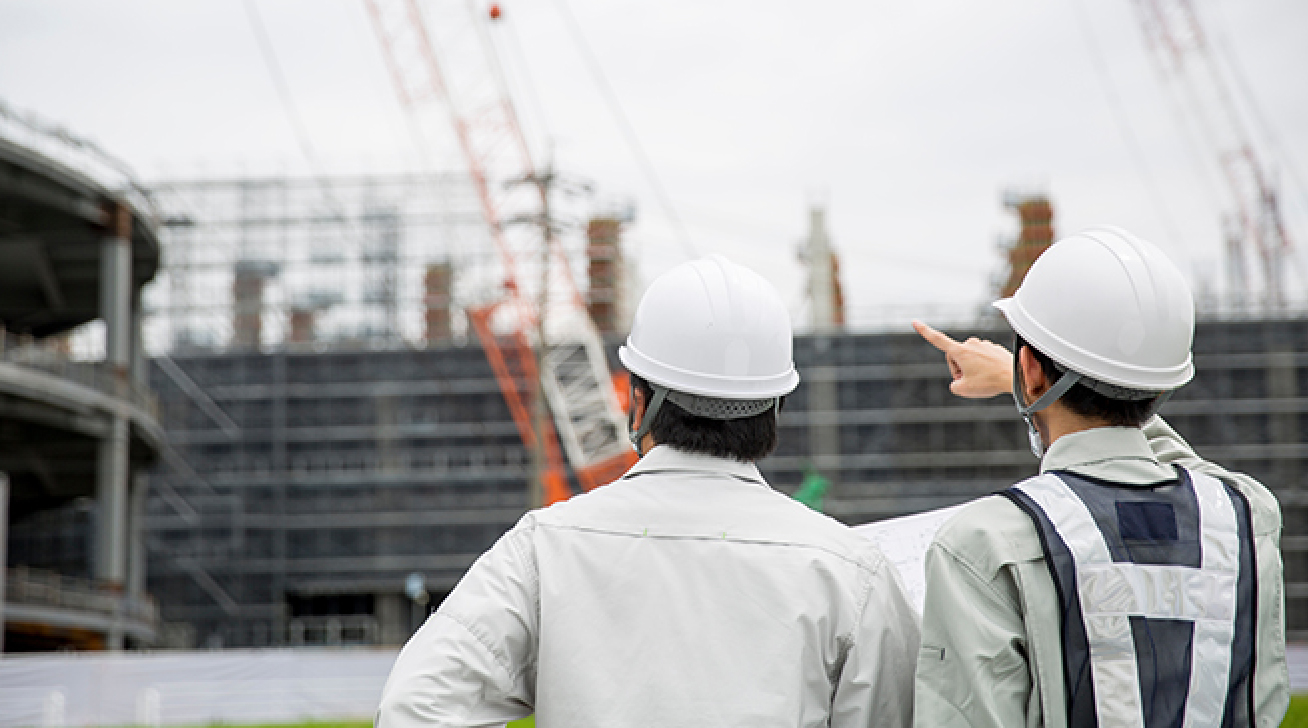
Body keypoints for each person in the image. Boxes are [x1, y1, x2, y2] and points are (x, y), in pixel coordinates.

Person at [376, 255, 920, 728]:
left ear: (639, 401)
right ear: (776, 406)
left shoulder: (544, 550)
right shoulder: (852, 573)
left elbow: (415, 708)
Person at [910, 226, 1288, 728]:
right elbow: (1174, 457)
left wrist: (1022, 385)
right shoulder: (1247, 522)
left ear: (1031, 369)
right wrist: (1024, 380)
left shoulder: (986, 543)